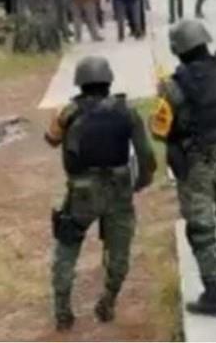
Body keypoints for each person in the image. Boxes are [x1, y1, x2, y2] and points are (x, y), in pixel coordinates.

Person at [46, 56, 155, 330]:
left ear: (80, 82)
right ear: (108, 80)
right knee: (119, 252)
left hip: (81, 193)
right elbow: (146, 156)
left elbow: (51, 140)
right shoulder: (126, 111)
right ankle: (108, 302)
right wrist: (141, 181)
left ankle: (62, 311)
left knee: (67, 248)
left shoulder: (68, 112)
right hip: (119, 190)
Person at [155, 20, 216, 317]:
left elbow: (161, 129)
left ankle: (214, 295)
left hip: (197, 166)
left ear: (177, 50)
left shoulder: (171, 86)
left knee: (202, 231)